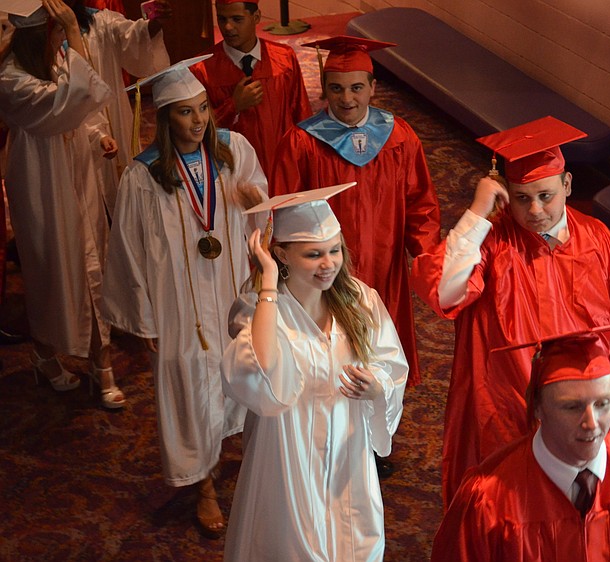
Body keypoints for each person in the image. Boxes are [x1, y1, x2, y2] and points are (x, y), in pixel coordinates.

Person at [411, 116, 610, 505]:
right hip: (502, 404)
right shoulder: (490, 241)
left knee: (578, 511)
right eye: (521, 198)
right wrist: (477, 214)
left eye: (545, 195)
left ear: (567, 184)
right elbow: (443, 294)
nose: (535, 209)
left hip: (582, 406)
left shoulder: (598, 240)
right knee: (504, 508)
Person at [102, 56, 267, 538]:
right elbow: (128, 249)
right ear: (164, 117)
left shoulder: (233, 148)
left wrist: (257, 205)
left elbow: (260, 200)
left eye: (202, 110)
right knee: (191, 384)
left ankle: (244, 456)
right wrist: (144, 318)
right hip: (180, 303)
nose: (198, 122)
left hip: (232, 290)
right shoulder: (144, 175)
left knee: (245, 371)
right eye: (184, 113)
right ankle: (204, 485)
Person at [221, 183, 408, 561]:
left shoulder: (359, 299)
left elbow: (390, 365)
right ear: (281, 255)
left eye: (335, 250)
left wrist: (379, 387)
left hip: (347, 450)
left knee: (355, 540)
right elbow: (260, 372)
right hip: (287, 453)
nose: (329, 264)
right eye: (313, 254)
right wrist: (268, 283)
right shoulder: (259, 309)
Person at [430, 327, 610, 561]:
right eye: (572, 407)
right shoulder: (487, 497)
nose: (592, 423)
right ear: (537, 407)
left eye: (603, 404)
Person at [272, 35, 441, 392]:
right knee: (331, 355)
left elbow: (419, 203)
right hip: (327, 267)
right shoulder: (302, 142)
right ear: (324, 89)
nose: (347, 98)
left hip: (385, 263)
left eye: (356, 88)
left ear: (372, 87)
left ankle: (381, 417)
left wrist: (427, 258)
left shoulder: (399, 137)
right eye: (336, 88)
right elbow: (283, 210)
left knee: (382, 346)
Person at [0, 0, 125, 407]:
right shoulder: (11, 80)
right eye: (58, 32)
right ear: (40, 35)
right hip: (41, 185)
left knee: (94, 262)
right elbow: (69, 102)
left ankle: (100, 360)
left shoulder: (55, 61)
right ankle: (44, 354)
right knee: (52, 272)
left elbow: (83, 112)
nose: (64, 40)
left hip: (78, 176)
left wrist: (97, 136)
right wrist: (74, 31)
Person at [66, 0, 171, 215]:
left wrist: (154, 23)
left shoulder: (99, 22)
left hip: (112, 120)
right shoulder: (41, 38)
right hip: (70, 132)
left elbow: (132, 36)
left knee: (123, 199)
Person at [190, 1, 311, 177]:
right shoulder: (202, 69)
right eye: (222, 19)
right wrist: (233, 106)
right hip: (234, 174)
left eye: (237, 19)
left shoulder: (284, 59)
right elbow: (196, 130)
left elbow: (302, 113)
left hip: (284, 167)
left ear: (256, 17)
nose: (228, 27)